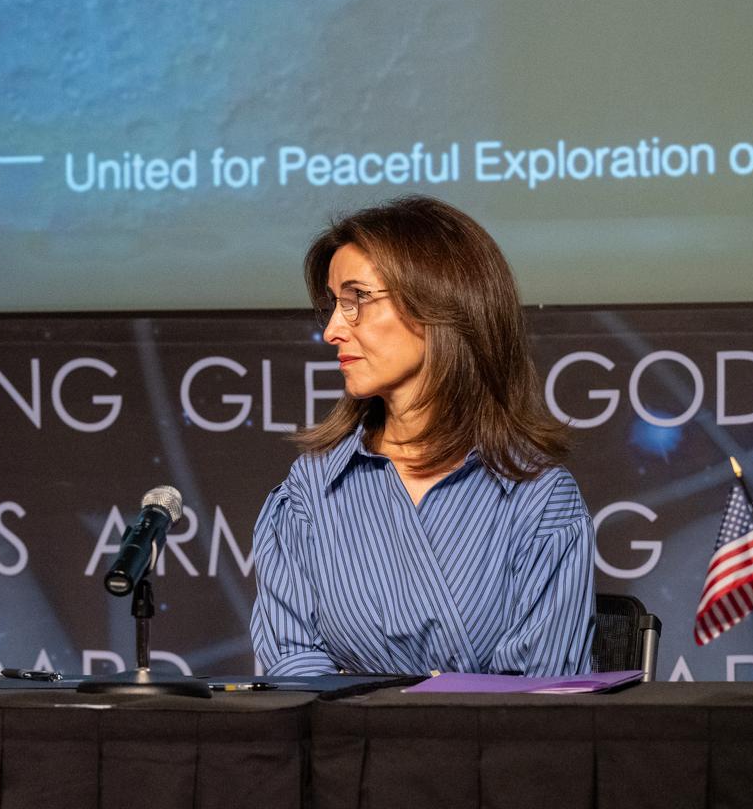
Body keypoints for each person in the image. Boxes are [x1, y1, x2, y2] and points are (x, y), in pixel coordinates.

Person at [249, 195, 594, 677]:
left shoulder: (538, 497)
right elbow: (292, 663)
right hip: (344, 751)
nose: (331, 330)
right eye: (332, 305)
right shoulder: (310, 491)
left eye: (357, 301)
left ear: (440, 302)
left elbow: (536, 693)